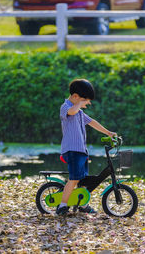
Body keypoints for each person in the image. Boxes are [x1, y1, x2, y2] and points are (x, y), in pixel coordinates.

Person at [57, 79, 117, 216]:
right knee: (73, 178)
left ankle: (82, 203)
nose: (88, 103)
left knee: (82, 179)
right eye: (86, 100)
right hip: (72, 150)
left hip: (81, 151)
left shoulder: (79, 112)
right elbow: (71, 112)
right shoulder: (66, 107)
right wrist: (79, 104)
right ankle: (62, 205)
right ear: (76, 96)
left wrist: (108, 132)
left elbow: (92, 122)